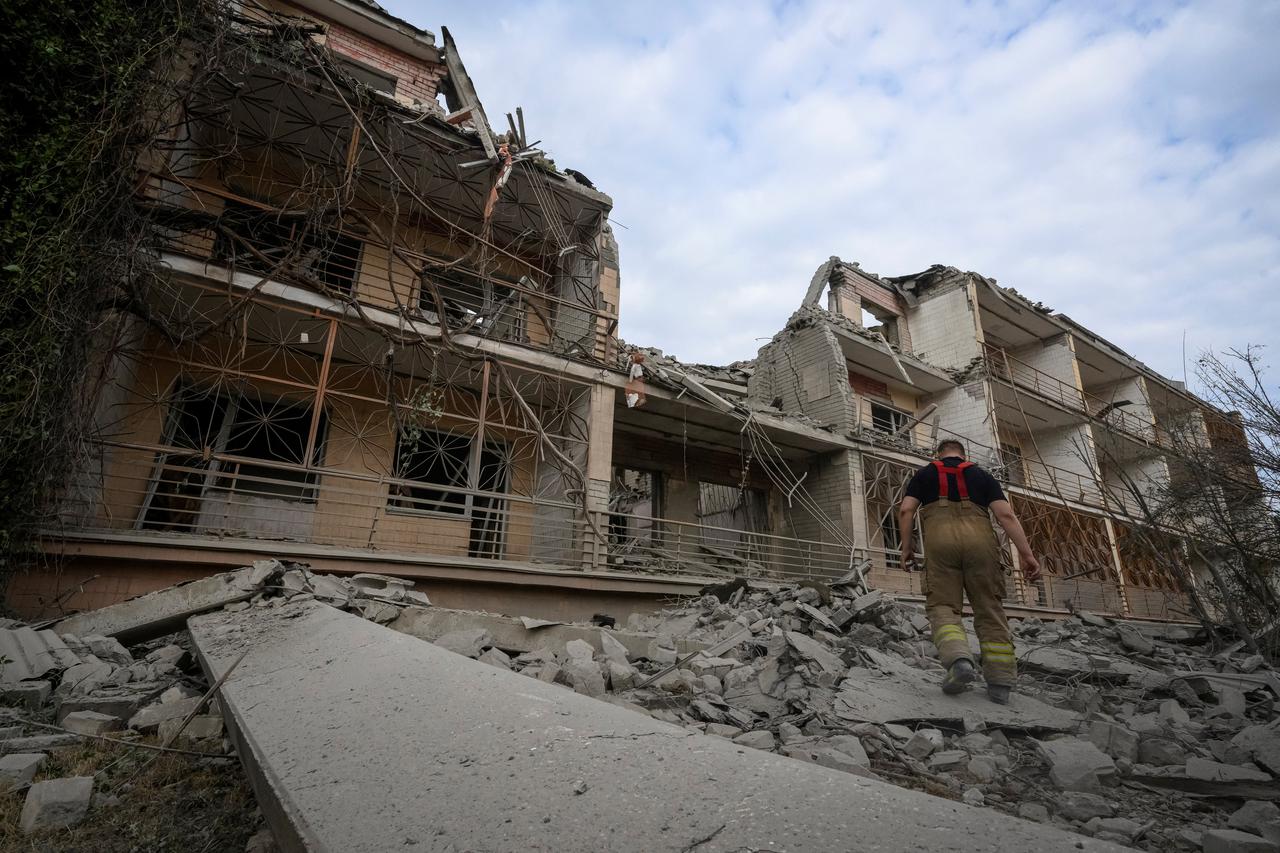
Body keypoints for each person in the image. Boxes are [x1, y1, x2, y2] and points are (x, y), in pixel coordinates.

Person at [897, 439, 1042, 704]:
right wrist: (1027, 554)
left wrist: (906, 547)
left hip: (940, 545)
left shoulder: (925, 473)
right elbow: (1006, 516)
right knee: (989, 609)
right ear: (964, 454)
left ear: (938, 453)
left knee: (942, 606)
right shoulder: (983, 476)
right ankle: (1000, 683)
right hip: (981, 546)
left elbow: (906, 509)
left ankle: (959, 660)